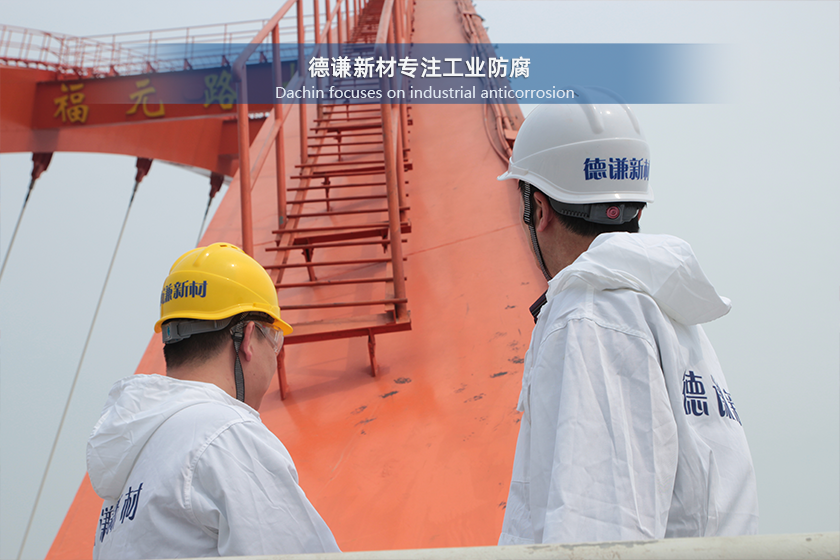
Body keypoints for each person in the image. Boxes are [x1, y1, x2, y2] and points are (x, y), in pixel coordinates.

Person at [496, 96, 759, 545]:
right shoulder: (667, 311)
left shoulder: (591, 316)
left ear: (537, 209)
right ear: (638, 207)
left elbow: (599, 530)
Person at [87, 242, 340, 559]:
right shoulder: (226, 436)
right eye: (275, 339)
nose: (276, 357)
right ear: (248, 337)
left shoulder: (130, 463)